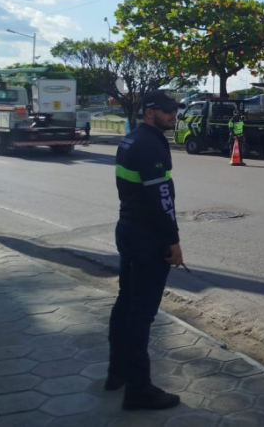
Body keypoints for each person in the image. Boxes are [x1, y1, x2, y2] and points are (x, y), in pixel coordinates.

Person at [108, 90, 183, 411]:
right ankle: (138, 390)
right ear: (150, 112)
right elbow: (161, 198)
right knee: (140, 316)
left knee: (126, 304)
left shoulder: (132, 139)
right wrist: (173, 241)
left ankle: (117, 373)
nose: (173, 116)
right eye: (167, 112)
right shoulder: (150, 144)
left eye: (174, 111)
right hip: (147, 239)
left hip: (128, 230)